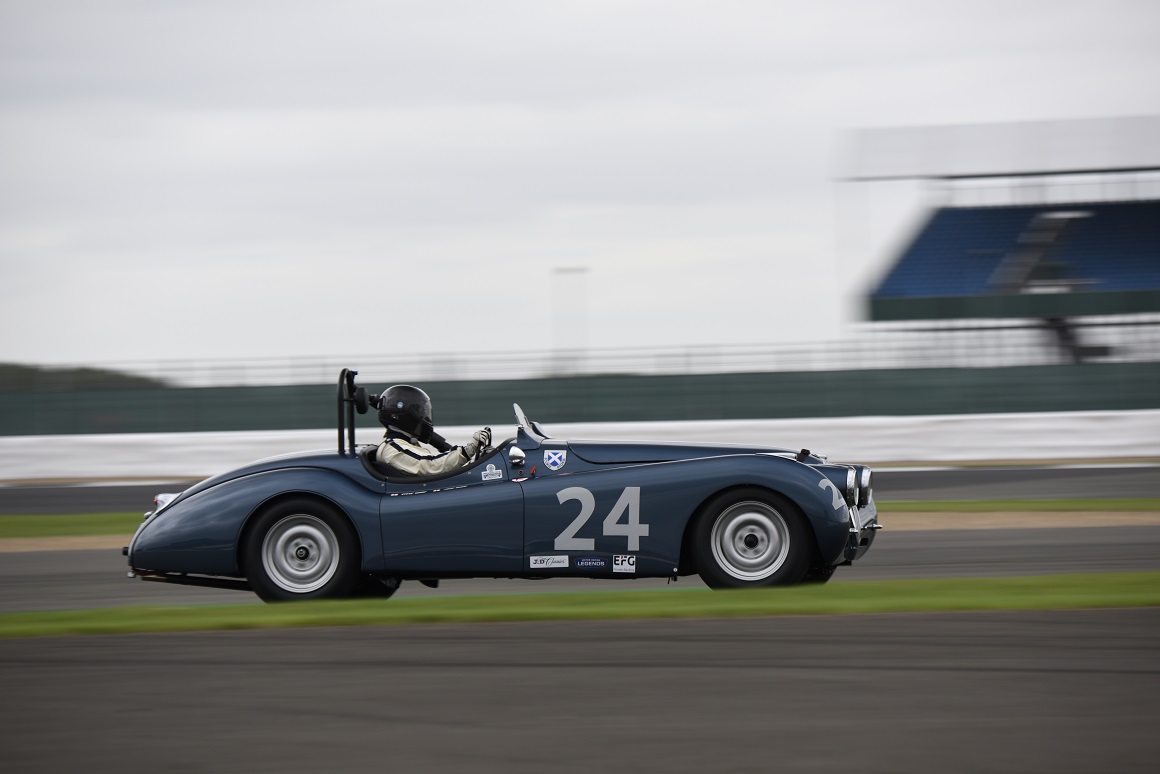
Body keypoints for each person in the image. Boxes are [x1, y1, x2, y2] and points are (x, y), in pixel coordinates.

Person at [374, 384, 491, 476]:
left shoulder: (406, 443)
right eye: (420, 412)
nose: (424, 417)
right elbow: (431, 465)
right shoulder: (393, 449)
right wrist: (468, 450)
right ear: (406, 415)